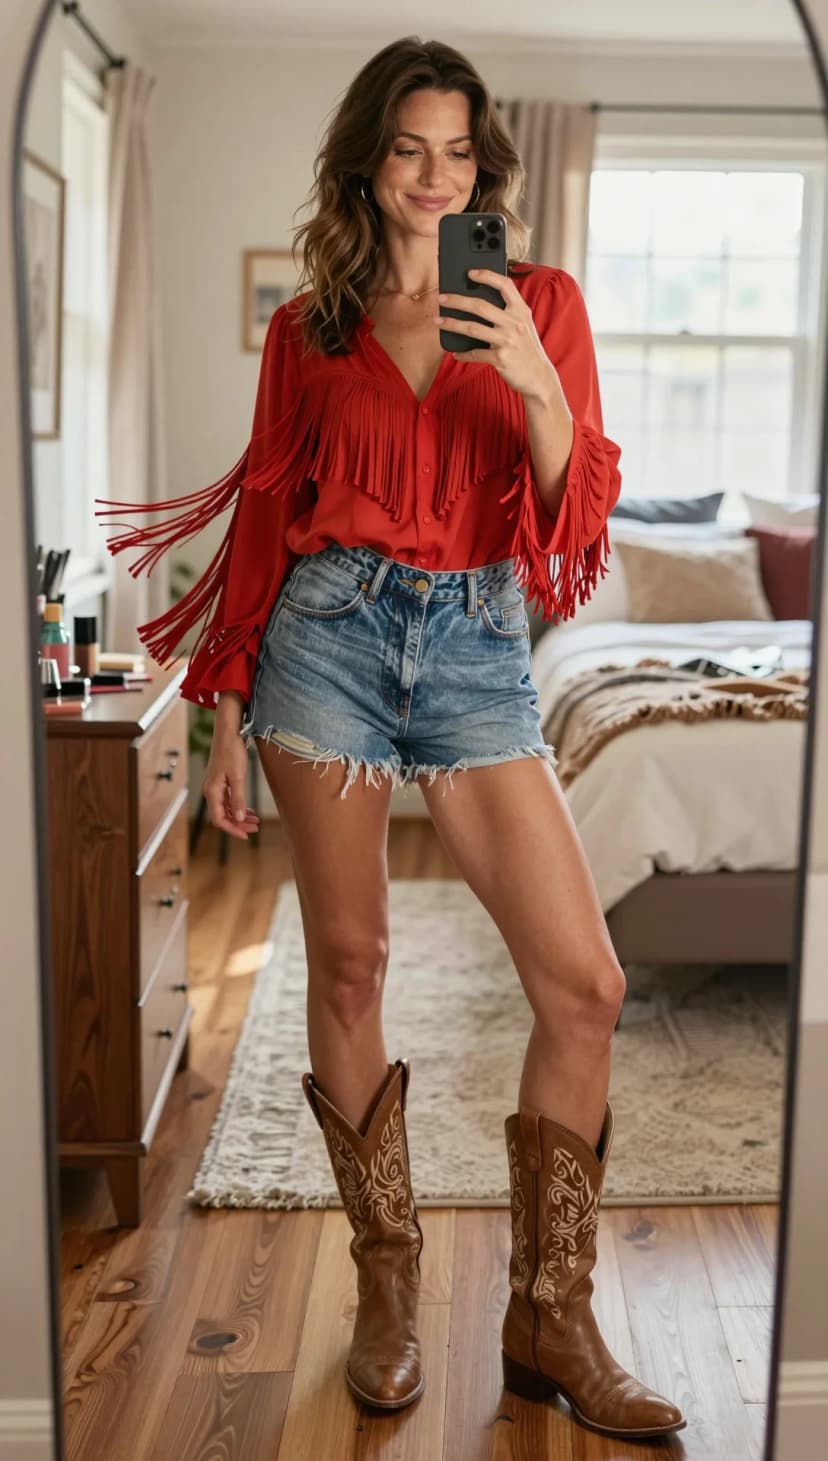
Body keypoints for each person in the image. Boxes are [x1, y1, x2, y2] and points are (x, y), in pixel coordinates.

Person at [97, 35, 685, 1441]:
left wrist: (536, 375)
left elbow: (572, 512)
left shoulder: (540, 302)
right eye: (410, 148)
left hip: (477, 648)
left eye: (459, 151)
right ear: (371, 160)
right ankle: (387, 1273)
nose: (435, 176)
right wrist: (227, 709)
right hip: (328, 643)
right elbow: (263, 515)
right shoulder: (315, 328)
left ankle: (552, 1312)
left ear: (487, 166)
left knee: (586, 983)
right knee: (350, 960)